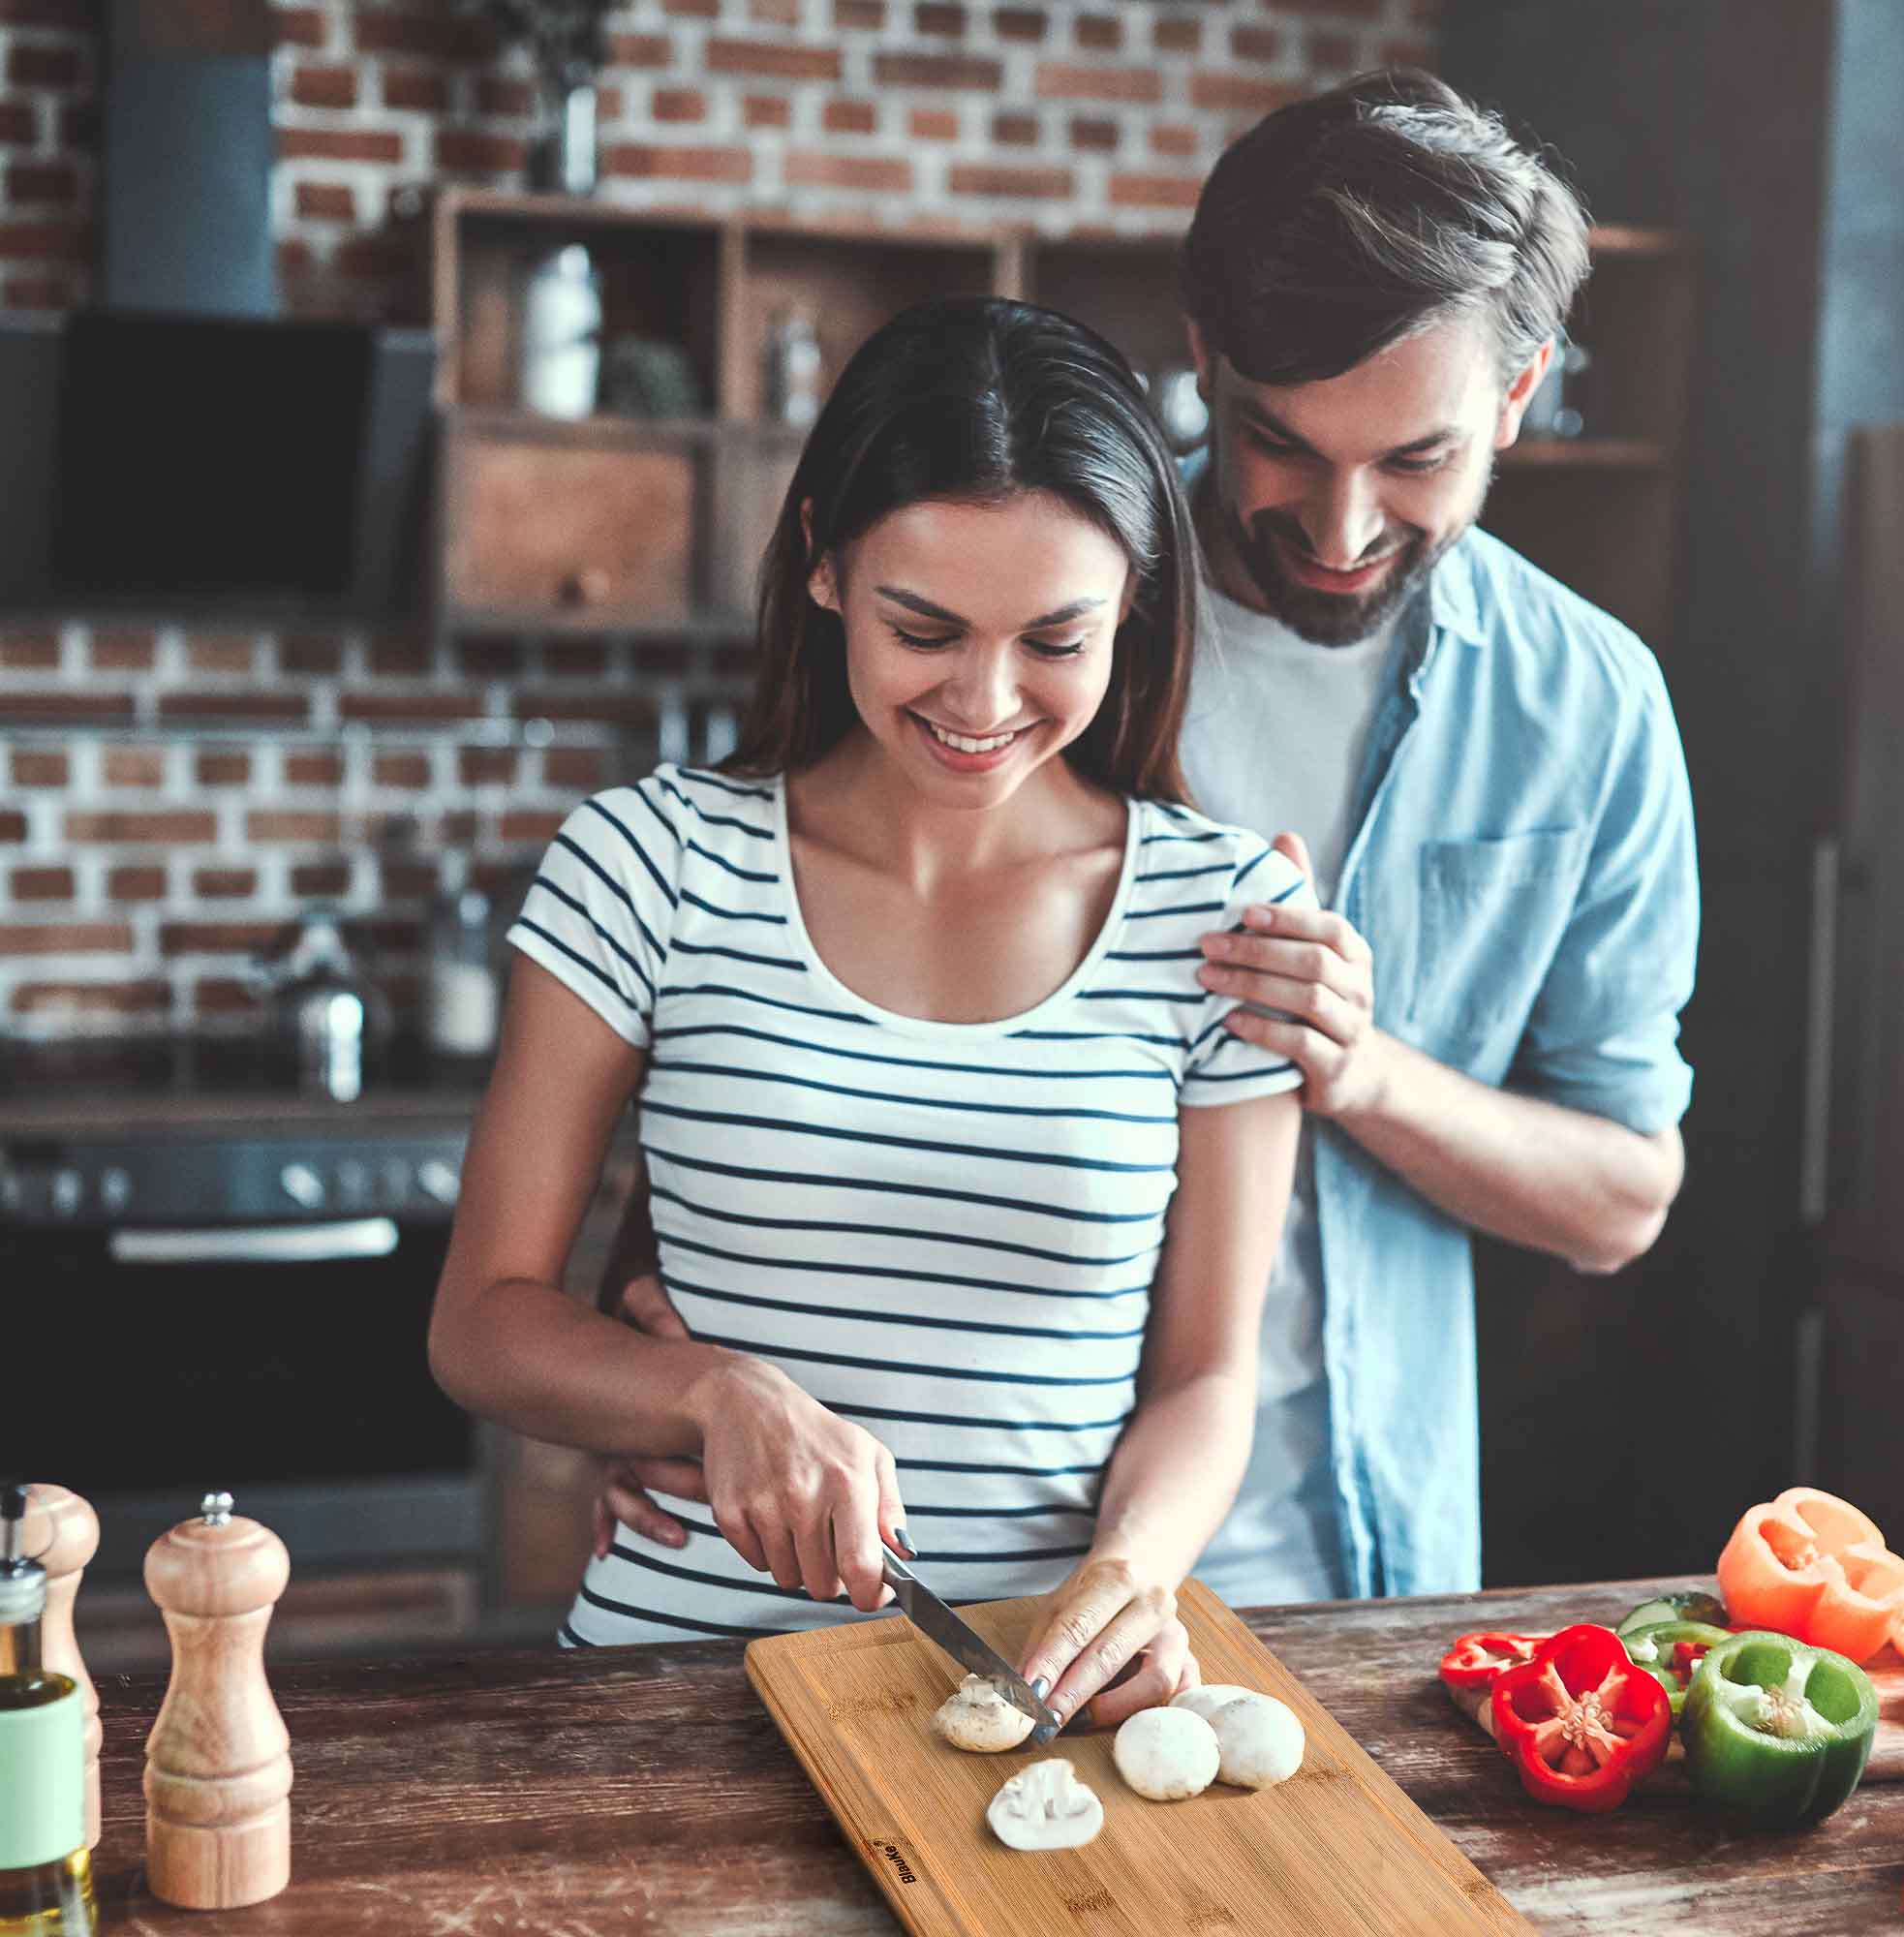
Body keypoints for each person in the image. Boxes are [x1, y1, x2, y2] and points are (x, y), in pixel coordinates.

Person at [591, 68, 1701, 1616]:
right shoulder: (1021, 600)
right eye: (1282, 446)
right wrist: (657, 1367)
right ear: (1202, 359)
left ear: (1515, 397)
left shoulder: (1588, 706)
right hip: (918, 1568)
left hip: (1345, 1549)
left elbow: (1624, 1195)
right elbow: (766, 986)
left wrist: (1359, 1068)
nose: (1339, 525)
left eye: (1417, 462)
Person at [428, 295, 1310, 1729]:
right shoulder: (648, 865)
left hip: (1034, 1697)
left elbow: (1209, 1376)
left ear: (1135, 602)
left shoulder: (1221, 920)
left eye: (1054, 640)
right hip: (675, 1689)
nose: (984, 698)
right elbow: (481, 1322)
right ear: (827, 565)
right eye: (927, 627)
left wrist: (1134, 1577)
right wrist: (710, 1395)